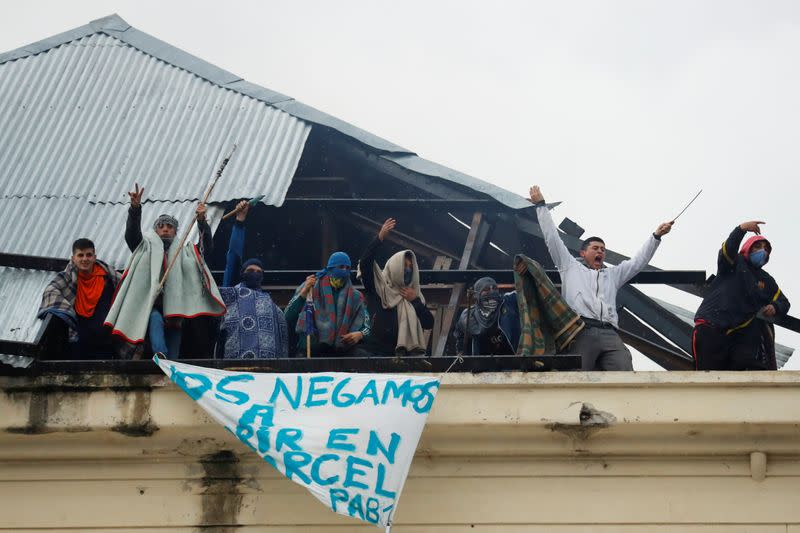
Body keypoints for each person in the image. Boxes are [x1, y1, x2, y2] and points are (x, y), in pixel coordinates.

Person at [530, 185, 673, 370]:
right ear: (583, 252)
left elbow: (638, 262)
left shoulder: (612, 275)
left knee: (624, 373)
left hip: (610, 333)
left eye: (603, 250)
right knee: (577, 376)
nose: (600, 252)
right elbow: (552, 238)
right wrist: (541, 206)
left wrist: (656, 237)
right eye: (595, 248)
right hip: (582, 331)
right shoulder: (569, 266)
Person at [104, 183, 225, 357]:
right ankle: (160, 353)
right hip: (151, 304)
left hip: (177, 308)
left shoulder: (185, 252)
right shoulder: (144, 247)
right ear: (155, 230)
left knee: (175, 337)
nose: (165, 229)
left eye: (170, 226)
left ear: (176, 231)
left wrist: (201, 222)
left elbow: (207, 248)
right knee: (154, 320)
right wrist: (135, 209)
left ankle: (170, 364)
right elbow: (131, 234)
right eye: (161, 226)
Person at [693, 221, 790, 370]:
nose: (762, 251)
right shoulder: (734, 262)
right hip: (710, 326)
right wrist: (741, 229)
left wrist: (775, 307)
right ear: (747, 248)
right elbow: (727, 249)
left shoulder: (766, 280)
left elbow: (784, 301)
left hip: (737, 334)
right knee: (707, 377)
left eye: (766, 249)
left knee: (738, 373)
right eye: (758, 246)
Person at [217, 200, 288, 359]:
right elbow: (233, 256)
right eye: (250, 270)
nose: (254, 273)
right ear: (242, 273)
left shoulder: (269, 303)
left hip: (265, 370)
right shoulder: (232, 294)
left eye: (258, 272)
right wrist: (240, 221)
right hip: (235, 365)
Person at [358, 218, 434, 356]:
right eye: (404, 266)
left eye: (411, 267)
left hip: (403, 360)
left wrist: (415, 301)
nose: (408, 270)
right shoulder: (379, 288)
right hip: (375, 354)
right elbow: (365, 264)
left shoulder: (414, 294)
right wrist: (379, 238)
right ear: (394, 266)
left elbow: (429, 323)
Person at [38, 238, 122, 359]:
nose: (85, 259)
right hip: (79, 344)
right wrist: (67, 311)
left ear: (94, 257)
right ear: (73, 258)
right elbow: (50, 291)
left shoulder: (108, 276)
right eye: (80, 255)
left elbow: (128, 287)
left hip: (106, 344)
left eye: (89, 255)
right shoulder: (67, 278)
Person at [284, 251, 370, 356]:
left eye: (348, 268)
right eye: (341, 267)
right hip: (311, 352)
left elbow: (367, 327)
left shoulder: (356, 296)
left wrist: (360, 334)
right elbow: (288, 316)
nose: (344, 271)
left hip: (341, 353)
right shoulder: (310, 287)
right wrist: (303, 294)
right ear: (330, 268)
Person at [453, 277, 518, 355]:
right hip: (482, 363)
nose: (492, 292)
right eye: (486, 289)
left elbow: (524, 292)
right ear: (477, 294)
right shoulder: (468, 316)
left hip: (512, 360)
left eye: (494, 288)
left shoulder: (508, 302)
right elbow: (460, 336)